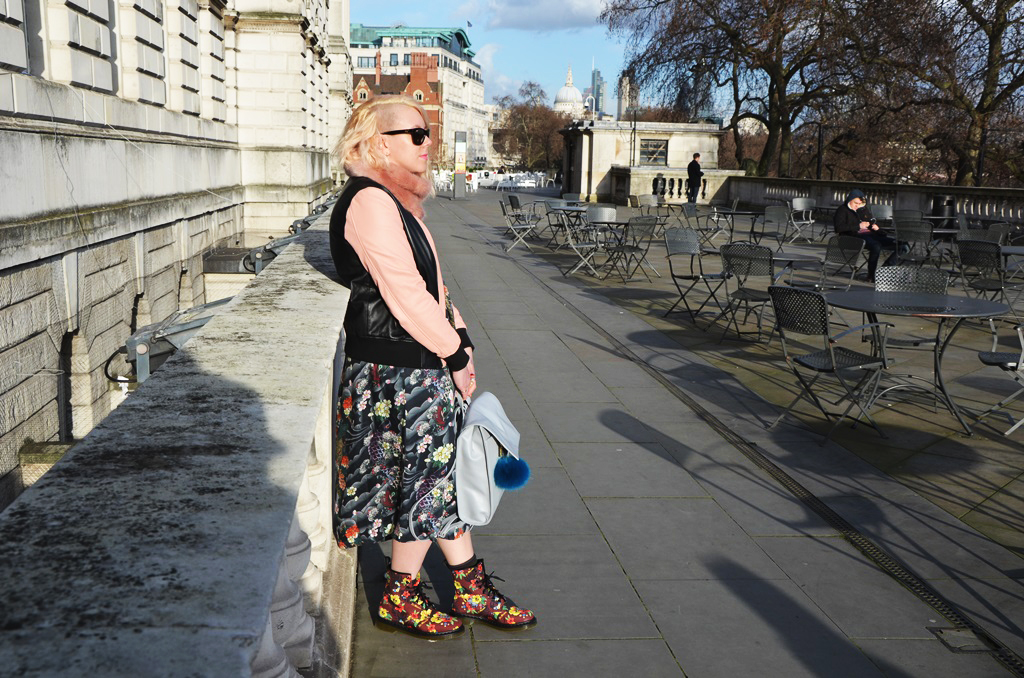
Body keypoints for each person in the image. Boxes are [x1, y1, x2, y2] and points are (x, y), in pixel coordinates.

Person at [329, 95, 536, 639]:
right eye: (416, 134)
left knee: (442, 478)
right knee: (428, 483)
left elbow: (434, 289)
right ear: (378, 143)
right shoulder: (369, 201)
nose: (427, 143)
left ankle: (466, 586)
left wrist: (460, 336)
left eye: (428, 133)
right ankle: (401, 594)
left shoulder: (396, 203)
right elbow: (404, 295)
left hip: (415, 362)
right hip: (396, 371)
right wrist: (455, 353)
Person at [833, 188, 905, 282]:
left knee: (903, 245)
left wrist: (878, 229)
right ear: (850, 200)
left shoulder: (863, 209)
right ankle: (871, 275)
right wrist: (858, 226)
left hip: (870, 235)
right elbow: (839, 228)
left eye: (859, 203)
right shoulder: (842, 210)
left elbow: (871, 223)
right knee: (876, 246)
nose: (857, 206)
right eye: (855, 203)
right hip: (853, 237)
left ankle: (884, 270)